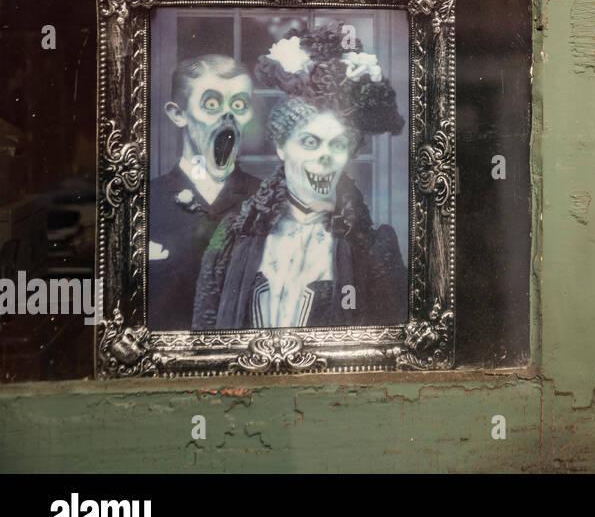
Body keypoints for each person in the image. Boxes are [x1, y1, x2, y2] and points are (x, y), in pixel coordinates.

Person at [192, 23, 407, 329]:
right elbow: (204, 333)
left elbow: (388, 346)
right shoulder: (232, 235)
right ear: (281, 147)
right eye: (309, 142)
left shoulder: (375, 247)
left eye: (338, 144)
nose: (324, 156)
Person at [148, 54, 261, 330]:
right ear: (179, 114)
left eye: (239, 104)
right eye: (211, 103)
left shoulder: (266, 200)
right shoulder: (145, 202)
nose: (228, 115)